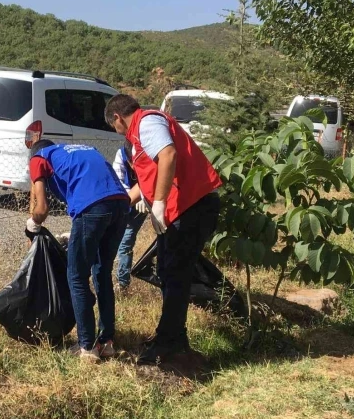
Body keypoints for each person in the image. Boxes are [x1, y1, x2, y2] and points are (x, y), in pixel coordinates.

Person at [104, 94, 222, 364]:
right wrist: (118, 205)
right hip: (186, 209)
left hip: (193, 208)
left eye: (115, 127)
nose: (117, 132)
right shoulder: (139, 137)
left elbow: (169, 155)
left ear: (117, 118)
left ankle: (169, 343)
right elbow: (145, 181)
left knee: (175, 273)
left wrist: (158, 205)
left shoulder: (148, 123)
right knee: (169, 272)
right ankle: (173, 337)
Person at [26, 139, 129, 362]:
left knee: (76, 276)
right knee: (102, 272)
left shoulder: (38, 157)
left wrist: (32, 225)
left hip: (93, 208)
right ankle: (107, 342)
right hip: (121, 205)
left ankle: (86, 347)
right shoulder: (81, 150)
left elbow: (42, 209)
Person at [111, 141, 148, 292]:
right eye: (132, 162)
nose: (135, 166)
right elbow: (118, 183)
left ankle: (122, 283)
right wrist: (138, 195)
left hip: (144, 204)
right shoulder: (121, 155)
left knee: (126, 241)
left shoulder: (148, 156)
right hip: (124, 202)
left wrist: (146, 198)